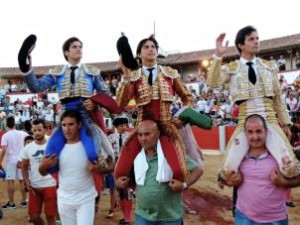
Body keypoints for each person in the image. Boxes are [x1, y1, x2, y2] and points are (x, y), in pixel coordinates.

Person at [206, 25, 297, 181]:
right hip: (244, 122)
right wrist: (218, 56)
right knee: (228, 172)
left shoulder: (269, 67)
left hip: (270, 119)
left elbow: (277, 99)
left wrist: (286, 124)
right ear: (241, 45)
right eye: (251, 39)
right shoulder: (231, 68)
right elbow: (212, 83)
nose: (256, 42)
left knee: (290, 169)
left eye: (257, 38)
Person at [19, 35, 120, 174]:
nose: (79, 49)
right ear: (66, 52)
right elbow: (36, 87)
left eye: (80, 47)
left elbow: (106, 93)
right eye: (74, 47)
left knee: (93, 155)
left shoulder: (92, 71)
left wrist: (95, 103)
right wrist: (27, 67)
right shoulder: (57, 72)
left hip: (85, 115)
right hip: (65, 116)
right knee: (50, 156)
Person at [115, 35, 210, 182]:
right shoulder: (133, 76)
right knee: (121, 171)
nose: (151, 49)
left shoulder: (170, 73)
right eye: (146, 47)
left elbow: (188, 98)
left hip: (167, 127)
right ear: (139, 54)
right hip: (143, 129)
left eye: (153, 47)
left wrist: (182, 116)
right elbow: (120, 103)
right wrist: (126, 77)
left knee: (180, 171)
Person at [116, 120, 203, 225]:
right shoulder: (135, 155)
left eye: (147, 134)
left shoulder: (171, 154)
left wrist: (184, 185)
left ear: (157, 134)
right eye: (140, 135)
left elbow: (198, 170)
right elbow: (120, 173)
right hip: (143, 215)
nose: (143, 139)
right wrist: (119, 182)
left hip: (169, 217)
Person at [39, 110, 112, 225]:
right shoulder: (57, 148)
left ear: (79, 125)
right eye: (64, 125)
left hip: (86, 198)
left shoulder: (90, 146)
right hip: (64, 199)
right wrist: (42, 166)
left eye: (71, 124)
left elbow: (112, 166)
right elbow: (42, 172)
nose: (67, 129)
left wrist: (97, 170)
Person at [222, 114, 288, 224]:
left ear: (266, 131)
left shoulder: (278, 153)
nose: (255, 137)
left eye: (258, 131)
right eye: (250, 132)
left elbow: (298, 177)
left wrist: (284, 182)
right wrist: (229, 181)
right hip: (244, 217)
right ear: (245, 134)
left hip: (275, 219)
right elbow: (223, 178)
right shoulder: (238, 155)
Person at [21, 119, 57, 225]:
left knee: (50, 216)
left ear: (45, 130)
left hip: (50, 184)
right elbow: (24, 166)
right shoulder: (28, 148)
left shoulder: (53, 143)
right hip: (34, 186)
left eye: (39, 130)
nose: (37, 133)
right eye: (34, 130)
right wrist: (26, 181)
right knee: (33, 217)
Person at [0, 116, 28, 209]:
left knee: (10, 181)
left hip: (11, 161)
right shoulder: (23, 133)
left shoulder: (5, 135)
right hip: (21, 160)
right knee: (22, 181)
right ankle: (24, 201)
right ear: (15, 124)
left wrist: (0, 160)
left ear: (7, 125)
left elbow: (3, 150)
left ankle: (11, 203)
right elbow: (28, 144)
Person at [108, 117, 132, 224]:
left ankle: (127, 217)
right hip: (116, 167)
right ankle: (124, 216)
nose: (124, 127)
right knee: (121, 193)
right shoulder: (111, 138)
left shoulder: (130, 137)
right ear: (116, 127)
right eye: (122, 125)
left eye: (125, 125)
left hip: (127, 167)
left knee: (127, 192)